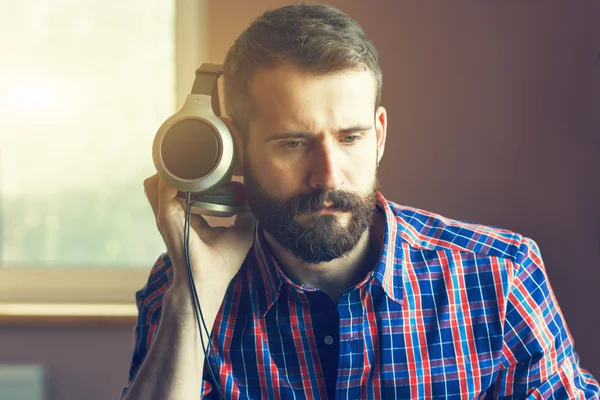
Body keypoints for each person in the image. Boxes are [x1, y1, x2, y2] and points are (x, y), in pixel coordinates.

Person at [121, 3, 599, 399]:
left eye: (350, 138)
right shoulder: (183, 283)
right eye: (292, 143)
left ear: (380, 136)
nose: (328, 175)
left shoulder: (499, 275)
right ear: (237, 150)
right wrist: (194, 297)